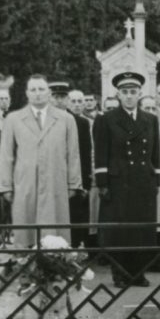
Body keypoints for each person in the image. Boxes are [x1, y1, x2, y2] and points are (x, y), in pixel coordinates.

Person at [92, 72, 160, 287]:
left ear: (140, 94)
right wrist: (103, 183)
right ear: (118, 95)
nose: (129, 96)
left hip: (143, 182)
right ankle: (120, 273)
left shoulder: (150, 119)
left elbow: (154, 153)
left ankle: (138, 273)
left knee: (141, 230)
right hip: (118, 182)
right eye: (125, 92)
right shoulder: (106, 120)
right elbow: (101, 153)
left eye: (133, 92)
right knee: (119, 231)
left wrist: (156, 178)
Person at [0, 74, 83, 247]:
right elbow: (6, 155)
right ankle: (26, 265)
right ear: (27, 93)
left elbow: (73, 154)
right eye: (33, 89)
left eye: (41, 89)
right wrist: (5, 186)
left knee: (55, 230)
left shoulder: (66, 119)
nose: (37, 93)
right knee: (25, 227)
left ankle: (57, 266)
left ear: (48, 93)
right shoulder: (14, 119)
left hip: (55, 182)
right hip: (25, 183)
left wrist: (74, 183)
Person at [64, 90, 94, 250]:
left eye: (79, 101)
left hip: (79, 176)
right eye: (73, 101)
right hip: (61, 175)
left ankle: (76, 248)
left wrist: (86, 181)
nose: (76, 105)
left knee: (78, 214)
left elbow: (85, 153)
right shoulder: (62, 120)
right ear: (68, 103)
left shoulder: (84, 123)